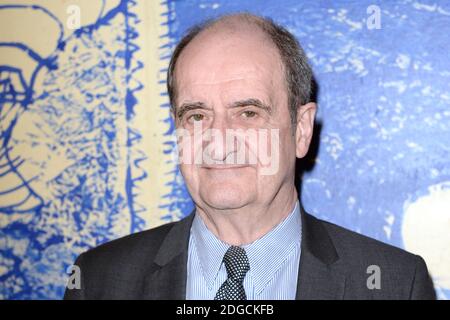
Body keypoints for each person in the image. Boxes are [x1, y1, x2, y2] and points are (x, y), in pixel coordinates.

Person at [64, 13, 435, 300]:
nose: (218, 142)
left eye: (248, 113)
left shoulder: (392, 283)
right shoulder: (99, 279)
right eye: (196, 115)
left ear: (301, 130)